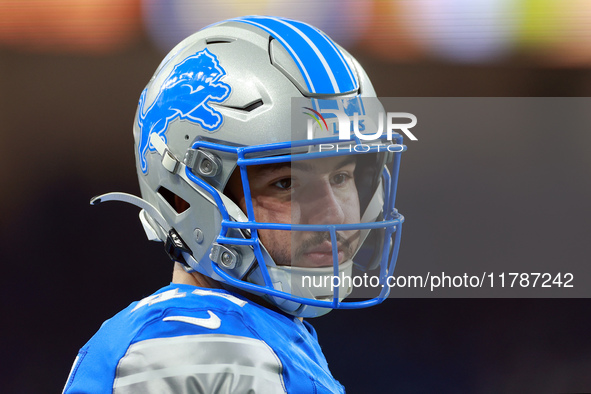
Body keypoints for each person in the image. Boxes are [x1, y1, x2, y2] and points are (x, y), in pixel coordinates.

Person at [63, 15, 406, 393]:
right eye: (287, 183)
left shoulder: (249, 333)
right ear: (183, 197)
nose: (336, 214)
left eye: (341, 177)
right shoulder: (203, 352)